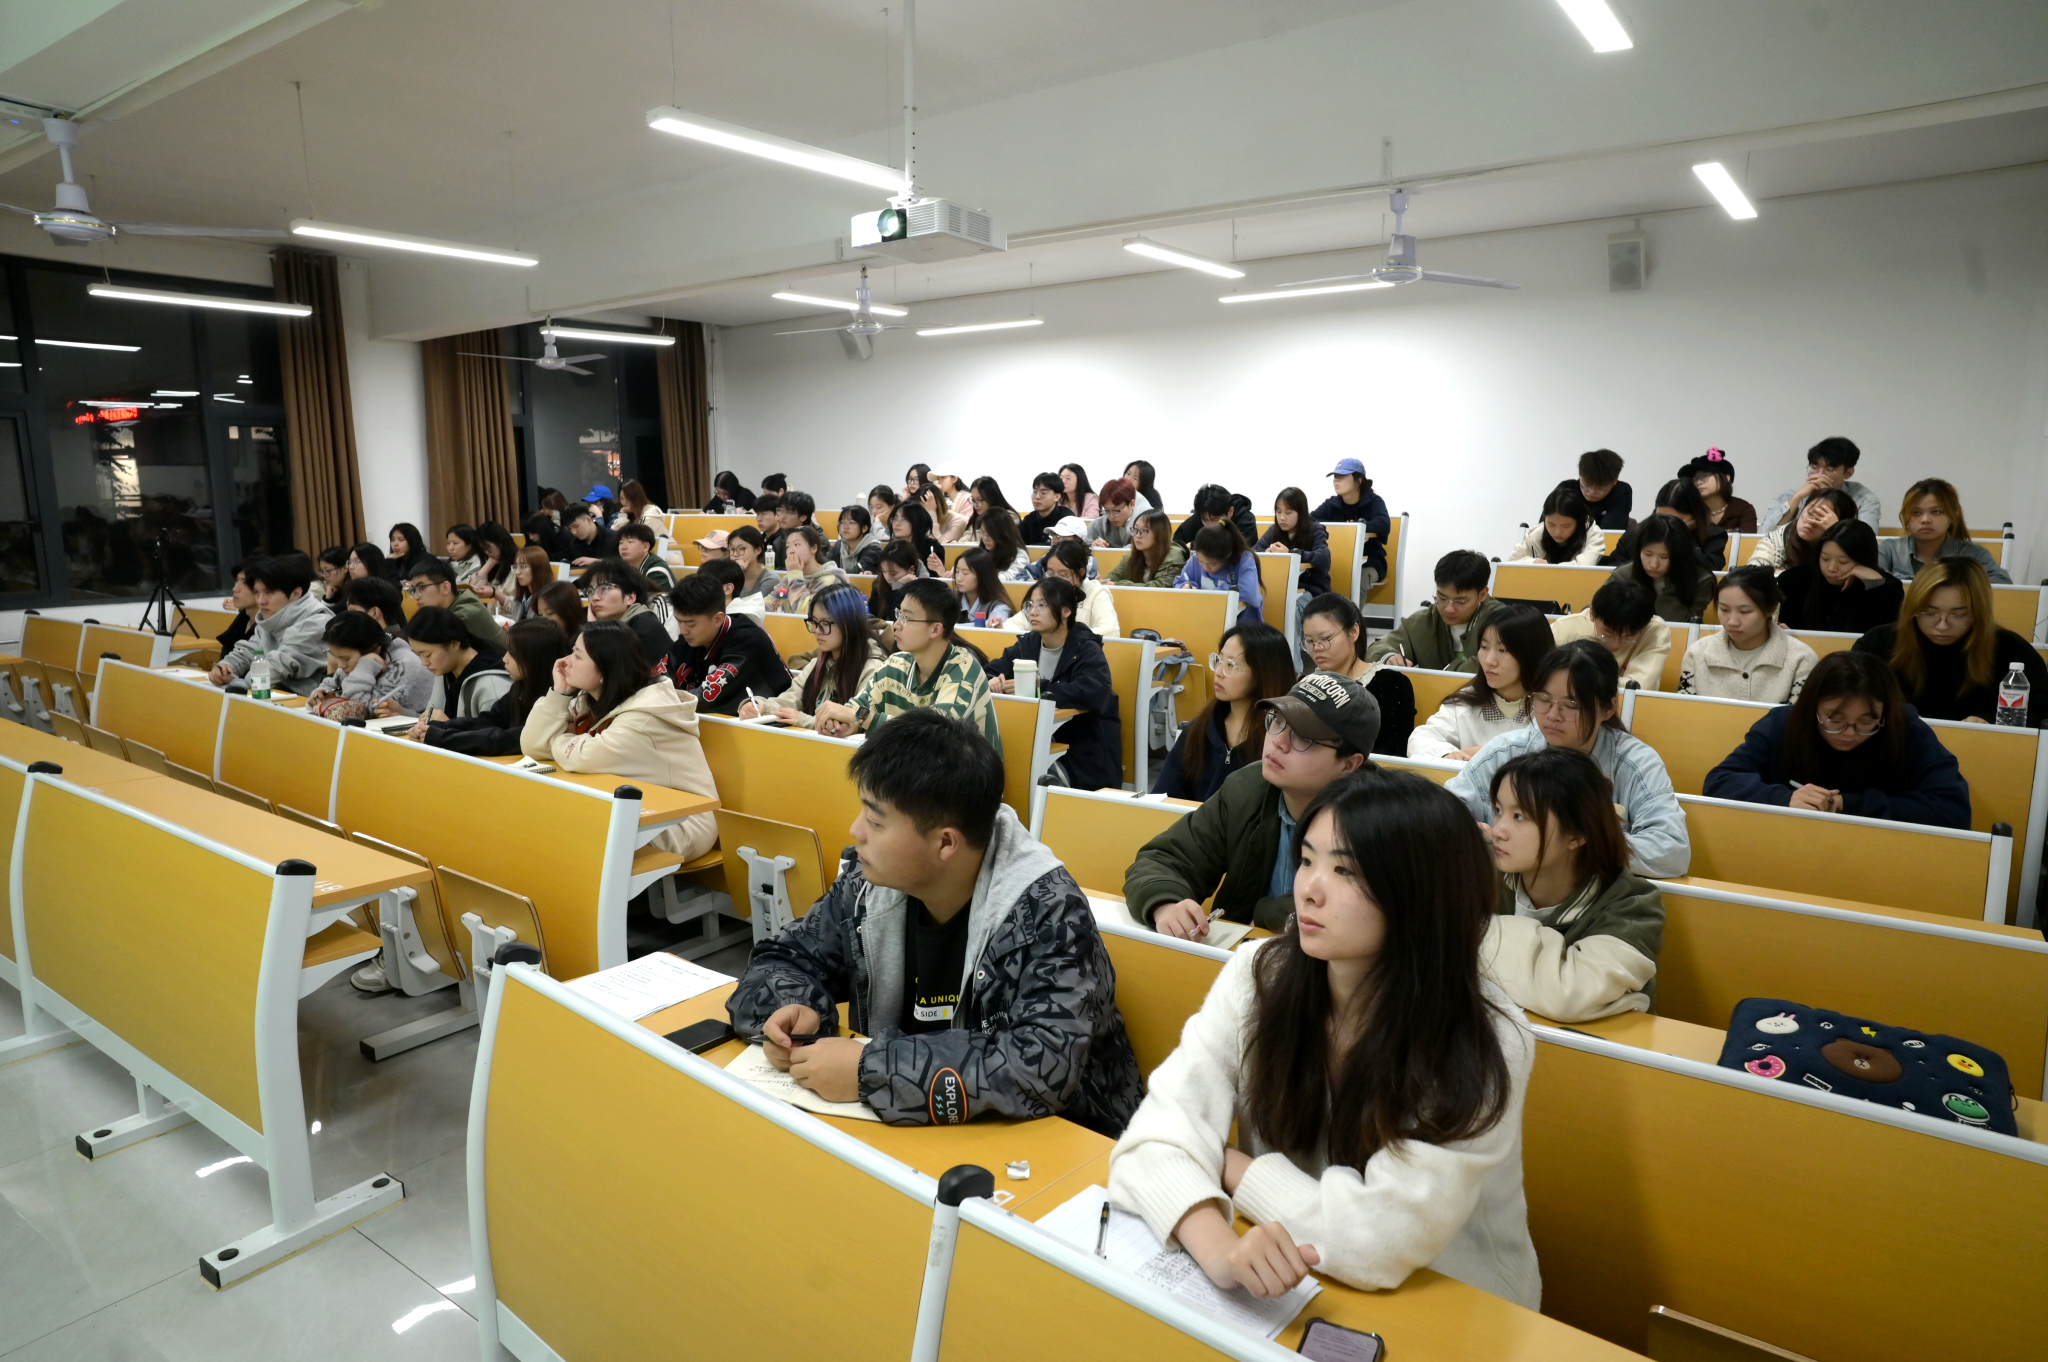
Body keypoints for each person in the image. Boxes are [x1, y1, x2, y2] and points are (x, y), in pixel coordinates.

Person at [1109, 769, 1540, 1309]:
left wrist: (1230, 1165)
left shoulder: (1484, 1036)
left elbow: (1377, 1241)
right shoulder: (1258, 975)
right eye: (1307, 860)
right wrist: (1219, 1248)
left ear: (1420, 895)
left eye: (1344, 871)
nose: (1309, 889)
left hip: (1451, 1299)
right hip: (1294, 1271)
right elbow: (1151, 1137)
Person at [728, 709, 1143, 1132]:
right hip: (917, 1129)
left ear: (945, 842)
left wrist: (871, 1070)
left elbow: (1040, 1068)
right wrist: (792, 1010)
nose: (856, 831)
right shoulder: (867, 885)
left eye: (875, 821)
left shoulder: (1048, 911)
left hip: (1068, 1144)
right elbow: (784, 958)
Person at [1124, 672, 1378, 938]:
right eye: (1277, 721)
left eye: (1303, 738)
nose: (1278, 742)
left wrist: (1268, 911)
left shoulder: (1380, 821)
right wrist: (1165, 904)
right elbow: (1165, 859)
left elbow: (1362, 912)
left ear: (1349, 765)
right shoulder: (1247, 789)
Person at [1446, 641, 1690, 878]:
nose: (1553, 715)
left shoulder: (1635, 763)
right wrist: (1470, 831)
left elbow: (1672, 850)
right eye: (1544, 699)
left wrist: (1568, 844)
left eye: (1572, 704)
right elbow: (1445, 811)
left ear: (1608, 708)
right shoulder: (1506, 752)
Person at [1484, 747, 1665, 1020]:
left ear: (1577, 835)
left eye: (1520, 816)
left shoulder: (1633, 906)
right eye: (1498, 810)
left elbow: (1569, 995)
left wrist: (1471, 932)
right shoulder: (1479, 869)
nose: (1497, 830)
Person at [1705, 651, 1970, 828]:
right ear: (1812, 707)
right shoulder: (1783, 723)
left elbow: (1953, 810)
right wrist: (1783, 799)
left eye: (1867, 721)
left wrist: (1850, 804)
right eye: (1834, 719)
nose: (1850, 733)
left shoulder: (1907, 730)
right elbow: (1719, 781)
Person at [522, 620, 719, 858]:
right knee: (549, 814)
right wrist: (559, 694)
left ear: (606, 667)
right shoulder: (592, 699)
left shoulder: (646, 714)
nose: (565, 662)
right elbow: (533, 746)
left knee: (569, 828)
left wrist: (556, 740)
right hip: (637, 806)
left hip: (681, 822)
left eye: (577, 655)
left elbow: (584, 756)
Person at [1854, 557, 2048, 728]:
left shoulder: (2011, 650)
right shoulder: (1878, 643)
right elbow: (1850, 697)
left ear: (1979, 613)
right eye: (1929, 612)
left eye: (1959, 614)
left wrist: (1990, 722)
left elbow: (2041, 712)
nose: (1942, 625)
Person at [815, 578, 1002, 751]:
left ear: (935, 629)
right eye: (898, 614)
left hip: (964, 773)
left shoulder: (964, 669)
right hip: (909, 769)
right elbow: (853, 710)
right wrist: (841, 723)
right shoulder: (896, 665)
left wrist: (861, 717)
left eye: (907, 618)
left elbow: (935, 737)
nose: (896, 625)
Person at [986, 577, 1122, 790]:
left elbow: (1093, 691)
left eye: (1042, 605)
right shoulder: (1029, 643)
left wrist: (1039, 687)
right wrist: (992, 680)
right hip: (1033, 738)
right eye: (1031, 605)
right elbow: (993, 669)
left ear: (1066, 611)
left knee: (1020, 772)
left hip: (1080, 751)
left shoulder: (1085, 648)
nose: (1033, 612)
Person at [1152, 622, 1294, 802]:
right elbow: (1163, 795)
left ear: (1263, 673)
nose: (1218, 672)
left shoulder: (1283, 740)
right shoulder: (1200, 729)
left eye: (1230, 665)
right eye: (1219, 661)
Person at [1409, 605, 1553, 761]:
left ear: (1531, 653)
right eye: (1484, 647)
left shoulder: (1553, 708)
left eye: (1502, 650)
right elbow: (1420, 739)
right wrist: (1446, 754)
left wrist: (1484, 752)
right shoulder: (1465, 703)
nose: (1489, 660)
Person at [739, 586, 887, 728]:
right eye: (814, 622)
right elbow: (791, 698)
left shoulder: (873, 669)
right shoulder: (817, 664)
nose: (817, 631)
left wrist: (803, 720)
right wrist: (758, 706)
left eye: (824, 624)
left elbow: (855, 722)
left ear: (849, 624)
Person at [425, 617, 572, 757]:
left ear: (534, 658)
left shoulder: (561, 700)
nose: (504, 659)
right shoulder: (521, 688)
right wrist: (438, 727)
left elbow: (505, 740)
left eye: (513, 654)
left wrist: (443, 737)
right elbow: (488, 721)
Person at [656, 573, 792, 716]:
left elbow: (703, 699)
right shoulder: (689, 640)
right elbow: (658, 680)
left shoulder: (747, 640)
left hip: (775, 721)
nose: (683, 630)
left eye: (691, 624)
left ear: (718, 619)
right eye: (679, 621)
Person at [1299, 593, 1416, 756]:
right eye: (1309, 641)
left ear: (1353, 632)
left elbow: (1394, 752)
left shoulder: (1390, 684)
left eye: (1325, 639)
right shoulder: (1304, 685)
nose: (1317, 648)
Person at [1680, 567, 1818, 703]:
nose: (1732, 622)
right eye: (1724, 609)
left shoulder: (1801, 659)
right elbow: (1685, 710)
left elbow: (1800, 716)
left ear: (1771, 609)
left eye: (1744, 612)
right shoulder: (1697, 654)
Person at [209, 553, 331, 695]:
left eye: (269, 592)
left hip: (308, 703)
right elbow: (250, 649)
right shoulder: (273, 615)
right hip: (279, 697)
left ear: (296, 594)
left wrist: (239, 679)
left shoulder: (316, 623)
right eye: (257, 592)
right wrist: (226, 666)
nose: (261, 601)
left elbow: (271, 671)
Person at [1366, 550, 1498, 672]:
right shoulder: (1424, 621)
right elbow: (1376, 649)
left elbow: (1486, 665)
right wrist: (1389, 657)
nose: (1449, 609)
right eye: (1442, 598)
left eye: (1460, 601)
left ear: (1482, 594)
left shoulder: (1499, 621)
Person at [1777, 520, 1905, 635]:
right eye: (1825, 558)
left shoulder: (1889, 588)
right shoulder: (1793, 581)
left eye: (1843, 562)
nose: (1831, 568)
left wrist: (1875, 585)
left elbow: (1881, 639)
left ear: (1863, 560)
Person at [1878, 478, 2011, 584]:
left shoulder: (1973, 554)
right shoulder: (1889, 550)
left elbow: (2003, 585)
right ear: (1905, 517)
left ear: (1953, 516)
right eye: (1916, 513)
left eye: (1936, 512)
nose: (1925, 520)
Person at [1549, 577, 1670, 692]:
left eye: (1628, 637)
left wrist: (1576, 682)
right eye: (1608, 633)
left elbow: (1639, 686)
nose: (1615, 645)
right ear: (1592, 614)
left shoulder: (1655, 631)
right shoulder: (1564, 627)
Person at [402, 606, 511, 733]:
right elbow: (432, 719)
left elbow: (497, 737)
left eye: (428, 655)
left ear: (454, 644)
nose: (424, 663)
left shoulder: (492, 684)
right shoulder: (445, 670)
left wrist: (449, 727)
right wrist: (404, 714)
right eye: (418, 655)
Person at [305, 609, 428, 720]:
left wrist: (365, 667)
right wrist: (321, 695)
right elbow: (331, 685)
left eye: (346, 658)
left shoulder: (403, 665)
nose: (340, 665)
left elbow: (359, 711)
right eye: (335, 657)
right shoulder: (352, 659)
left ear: (374, 651)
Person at [1607, 514, 1715, 623]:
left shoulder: (1701, 579)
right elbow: (1601, 615)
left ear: (1680, 555)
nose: (1654, 564)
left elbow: (1681, 625)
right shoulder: (1622, 576)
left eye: (1664, 557)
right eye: (1648, 554)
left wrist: (1672, 586)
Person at [1760, 436, 1883, 531]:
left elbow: (1866, 543)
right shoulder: (1790, 495)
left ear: (1848, 473)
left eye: (1829, 469)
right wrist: (1797, 498)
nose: (1819, 475)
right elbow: (1761, 535)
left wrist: (1834, 524)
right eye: (1814, 467)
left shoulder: (1864, 500)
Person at [1308, 458, 1392, 592]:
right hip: (1338, 561)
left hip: (1369, 562)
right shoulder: (1331, 503)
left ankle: (1353, 607)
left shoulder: (1374, 502)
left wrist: (1357, 527)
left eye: (1342, 476)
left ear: (1359, 480)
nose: (1336, 480)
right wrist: (1342, 528)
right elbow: (1310, 520)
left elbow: (1383, 524)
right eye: (1335, 476)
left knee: (1357, 583)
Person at [405, 557, 508, 653]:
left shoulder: (463, 615)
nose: (416, 596)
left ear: (445, 588)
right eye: (413, 590)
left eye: (421, 588)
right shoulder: (456, 599)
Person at [578, 558, 671, 664]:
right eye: (590, 591)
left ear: (630, 597)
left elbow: (610, 669)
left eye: (604, 589)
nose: (594, 597)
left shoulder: (643, 628)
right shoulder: (605, 623)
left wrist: (593, 632)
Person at [1745, 486, 1858, 571]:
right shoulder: (1776, 539)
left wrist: (1836, 534)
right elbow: (1753, 575)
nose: (1811, 522)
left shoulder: (1846, 546)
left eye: (1821, 518)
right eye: (1810, 513)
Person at [1177, 522, 1263, 628]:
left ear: (1228, 555)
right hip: (1205, 624)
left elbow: (1250, 594)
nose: (1205, 568)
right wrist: (1185, 588)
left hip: (1243, 627)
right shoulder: (1195, 559)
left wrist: (1205, 595)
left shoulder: (1244, 559)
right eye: (1201, 562)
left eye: (1212, 564)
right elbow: (1180, 581)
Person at [1028, 540, 1120, 638]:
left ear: (1081, 572)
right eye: (1050, 573)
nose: (1055, 580)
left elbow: (1110, 632)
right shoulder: (1044, 592)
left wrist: (1064, 636)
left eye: (1063, 574)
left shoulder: (1097, 593)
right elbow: (1018, 624)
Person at [1256, 487, 1332, 598]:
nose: (1282, 518)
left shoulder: (1315, 530)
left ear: (1301, 513)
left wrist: (1290, 554)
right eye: (1278, 512)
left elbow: (1324, 559)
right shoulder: (1274, 530)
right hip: (1280, 589)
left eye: (1288, 513)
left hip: (1310, 590)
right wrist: (1266, 553)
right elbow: (1252, 552)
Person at [768, 525, 853, 617]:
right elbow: (768, 603)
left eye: (797, 544)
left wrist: (795, 574)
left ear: (814, 548)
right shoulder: (789, 579)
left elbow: (807, 612)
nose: (791, 551)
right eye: (788, 546)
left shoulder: (830, 579)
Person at [1506, 486, 1602, 565]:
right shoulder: (1537, 534)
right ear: (1544, 519)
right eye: (1551, 525)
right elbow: (1510, 564)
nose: (1557, 532)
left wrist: (1549, 569)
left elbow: (1583, 568)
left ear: (1579, 522)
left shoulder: (1593, 535)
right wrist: (1532, 562)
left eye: (1566, 526)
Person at [1649, 478, 1728, 571]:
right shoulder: (1643, 530)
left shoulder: (1715, 534)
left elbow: (1709, 570)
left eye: (1675, 520)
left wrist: (1682, 534)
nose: (1666, 524)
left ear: (1694, 516)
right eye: (1661, 517)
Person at [1106, 507, 1185, 588]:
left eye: (1144, 531)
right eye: (1135, 529)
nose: (1137, 535)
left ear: (1159, 534)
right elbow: (1110, 579)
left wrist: (1118, 584)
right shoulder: (1130, 557)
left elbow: (1160, 588)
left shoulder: (1173, 557)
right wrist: (1102, 582)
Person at [1556, 448, 1631, 531]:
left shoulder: (1621, 491)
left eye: (1600, 489)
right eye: (1585, 486)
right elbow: (1552, 526)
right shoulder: (1566, 489)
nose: (1591, 492)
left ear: (1614, 481)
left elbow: (1611, 530)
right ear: (1580, 477)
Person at [1684, 449, 1757, 533]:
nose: (1699, 482)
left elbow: (1748, 539)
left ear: (1726, 478)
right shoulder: (1690, 509)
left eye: (1705, 476)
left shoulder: (1742, 509)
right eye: (1695, 479)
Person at [1173, 483, 1259, 553]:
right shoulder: (1203, 514)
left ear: (1230, 512)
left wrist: (1196, 545)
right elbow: (1177, 544)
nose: (1210, 525)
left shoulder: (1246, 520)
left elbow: (1237, 547)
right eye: (1205, 520)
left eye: (1215, 519)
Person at [953, 548, 1013, 628]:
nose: (959, 578)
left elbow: (990, 625)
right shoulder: (951, 598)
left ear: (982, 575)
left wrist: (949, 627)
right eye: (957, 572)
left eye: (965, 573)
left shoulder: (999, 605)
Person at [724, 525, 782, 603]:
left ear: (758, 550)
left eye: (741, 549)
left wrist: (739, 575)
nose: (735, 554)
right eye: (732, 549)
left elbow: (750, 607)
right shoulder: (727, 576)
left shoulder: (770, 579)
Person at [978, 506, 1034, 582]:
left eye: (989, 534)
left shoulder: (1020, 555)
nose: (985, 538)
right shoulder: (984, 551)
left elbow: (1008, 577)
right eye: (982, 532)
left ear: (1002, 533)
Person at [868, 540, 921, 621]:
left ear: (911, 569)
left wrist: (897, 587)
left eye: (893, 573)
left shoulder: (921, 590)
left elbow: (897, 620)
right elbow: (872, 617)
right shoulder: (878, 585)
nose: (888, 578)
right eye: (884, 571)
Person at [827, 504, 886, 574]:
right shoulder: (838, 546)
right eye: (842, 522)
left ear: (864, 528)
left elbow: (857, 571)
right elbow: (824, 566)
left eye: (852, 523)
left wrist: (833, 573)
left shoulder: (874, 548)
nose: (845, 527)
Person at [616, 522, 675, 593]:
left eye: (630, 542)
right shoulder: (622, 568)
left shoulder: (657, 571)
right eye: (621, 542)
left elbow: (652, 598)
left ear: (646, 547)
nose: (623, 547)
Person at [216, 558, 258, 653]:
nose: (235, 589)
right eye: (237, 580)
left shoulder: (269, 630)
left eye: (245, 582)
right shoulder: (242, 622)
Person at [891, 502, 942, 576]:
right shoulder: (892, 547)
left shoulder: (931, 547)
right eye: (895, 518)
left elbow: (933, 578)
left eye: (904, 519)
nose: (896, 523)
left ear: (916, 522)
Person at [1086, 478, 1139, 549]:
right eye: (1107, 511)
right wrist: (1091, 546)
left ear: (1132, 504)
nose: (1111, 516)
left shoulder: (1144, 525)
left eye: (1116, 511)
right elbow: (1084, 544)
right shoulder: (1098, 525)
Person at [559, 501, 616, 567]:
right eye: (570, 529)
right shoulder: (574, 544)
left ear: (588, 519)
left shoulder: (613, 538)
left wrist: (597, 562)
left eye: (576, 526)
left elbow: (621, 565)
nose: (574, 532)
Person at [1019, 472, 1065, 545]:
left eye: (1043, 493)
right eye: (1035, 491)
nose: (1037, 497)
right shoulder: (1029, 519)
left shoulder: (1066, 520)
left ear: (1057, 497)